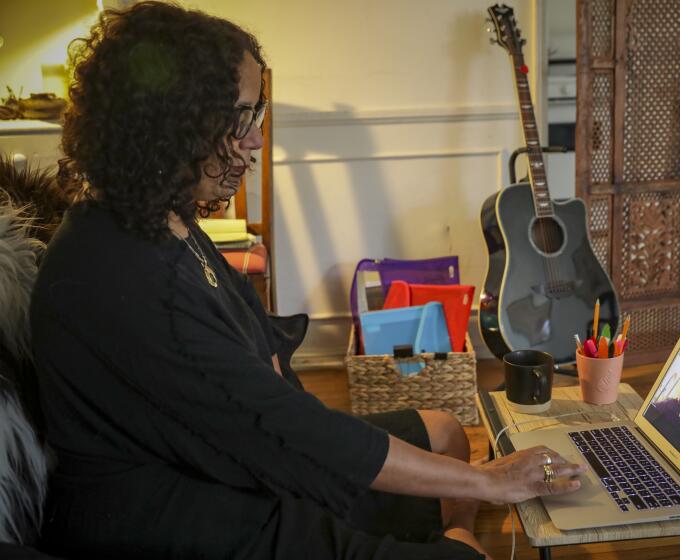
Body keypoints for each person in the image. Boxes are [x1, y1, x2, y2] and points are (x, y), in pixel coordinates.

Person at [29, 3, 586, 559]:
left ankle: (446, 534)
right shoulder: (118, 275)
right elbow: (283, 428)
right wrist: (491, 482)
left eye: (257, 112)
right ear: (174, 120)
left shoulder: (159, 215)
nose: (255, 139)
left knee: (444, 430)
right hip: (179, 512)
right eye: (243, 116)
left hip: (236, 454)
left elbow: (259, 373)